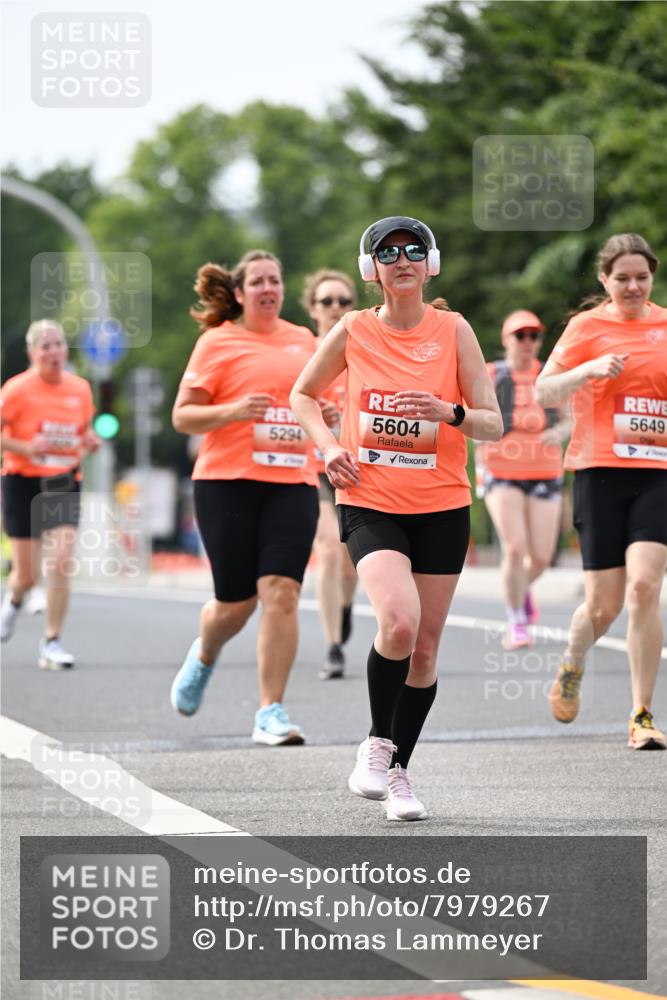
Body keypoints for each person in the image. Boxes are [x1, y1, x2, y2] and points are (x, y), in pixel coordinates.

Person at [291, 216, 502, 819]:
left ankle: (399, 773)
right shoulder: (353, 329)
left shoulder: (454, 330)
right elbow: (303, 394)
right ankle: (376, 745)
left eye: (414, 249)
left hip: (443, 503)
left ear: (428, 262)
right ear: (372, 270)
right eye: (388, 252)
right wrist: (329, 448)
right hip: (370, 498)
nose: (402, 258)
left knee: (427, 651)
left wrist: (449, 411)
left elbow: (491, 422)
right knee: (400, 624)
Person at [169, 251, 323, 746]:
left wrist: (332, 424)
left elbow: (328, 401)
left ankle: (270, 712)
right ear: (239, 293)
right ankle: (205, 653)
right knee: (235, 604)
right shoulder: (217, 342)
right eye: (257, 281)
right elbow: (183, 417)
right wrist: (234, 410)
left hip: (292, 483)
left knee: (282, 590)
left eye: (275, 279)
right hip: (226, 481)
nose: (267, 288)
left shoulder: (305, 341)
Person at [536, 233, 667, 750]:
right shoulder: (586, 327)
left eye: (642, 276)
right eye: (622, 278)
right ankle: (573, 659)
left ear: (652, 275)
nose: (633, 286)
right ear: (604, 280)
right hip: (598, 473)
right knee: (602, 606)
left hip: (657, 474)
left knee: (643, 587)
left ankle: (641, 714)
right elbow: (544, 389)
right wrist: (588, 369)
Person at [0, 319, 99, 668]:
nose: (54, 352)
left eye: (59, 344)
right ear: (32, 353)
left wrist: (89, 440)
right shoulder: (15, 390)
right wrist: (25, 446)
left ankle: (52, 641)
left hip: (62, 479)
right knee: (26, 576)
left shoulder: (80, 389)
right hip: (22, 480)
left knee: (60, 561)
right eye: (46, 346)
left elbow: (84, 430)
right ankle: (12, 603)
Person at [477, 309, 570, 650]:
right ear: (506, 340)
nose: (527, 342)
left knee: (542, 557)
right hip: (501, 470)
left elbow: (570, 419)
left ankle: (521, 589)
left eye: (533, 335)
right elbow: (475, 417)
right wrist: (478, 455)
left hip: (544, 470)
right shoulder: (491, 374)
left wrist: (558, 432)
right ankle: (515, 619)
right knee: (514, 547)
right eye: (520, 335)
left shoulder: (549, 374)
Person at [301, 269, 359, 679]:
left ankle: (344, 605)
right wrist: (318, 421)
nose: (335, 308)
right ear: (312, 309)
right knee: (326, 549)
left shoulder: (364, 346)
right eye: (327, 301)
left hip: (356, 463)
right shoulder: (298, 350)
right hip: (311, 463)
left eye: (343, 301)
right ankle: (334, 646)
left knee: (349, 562)